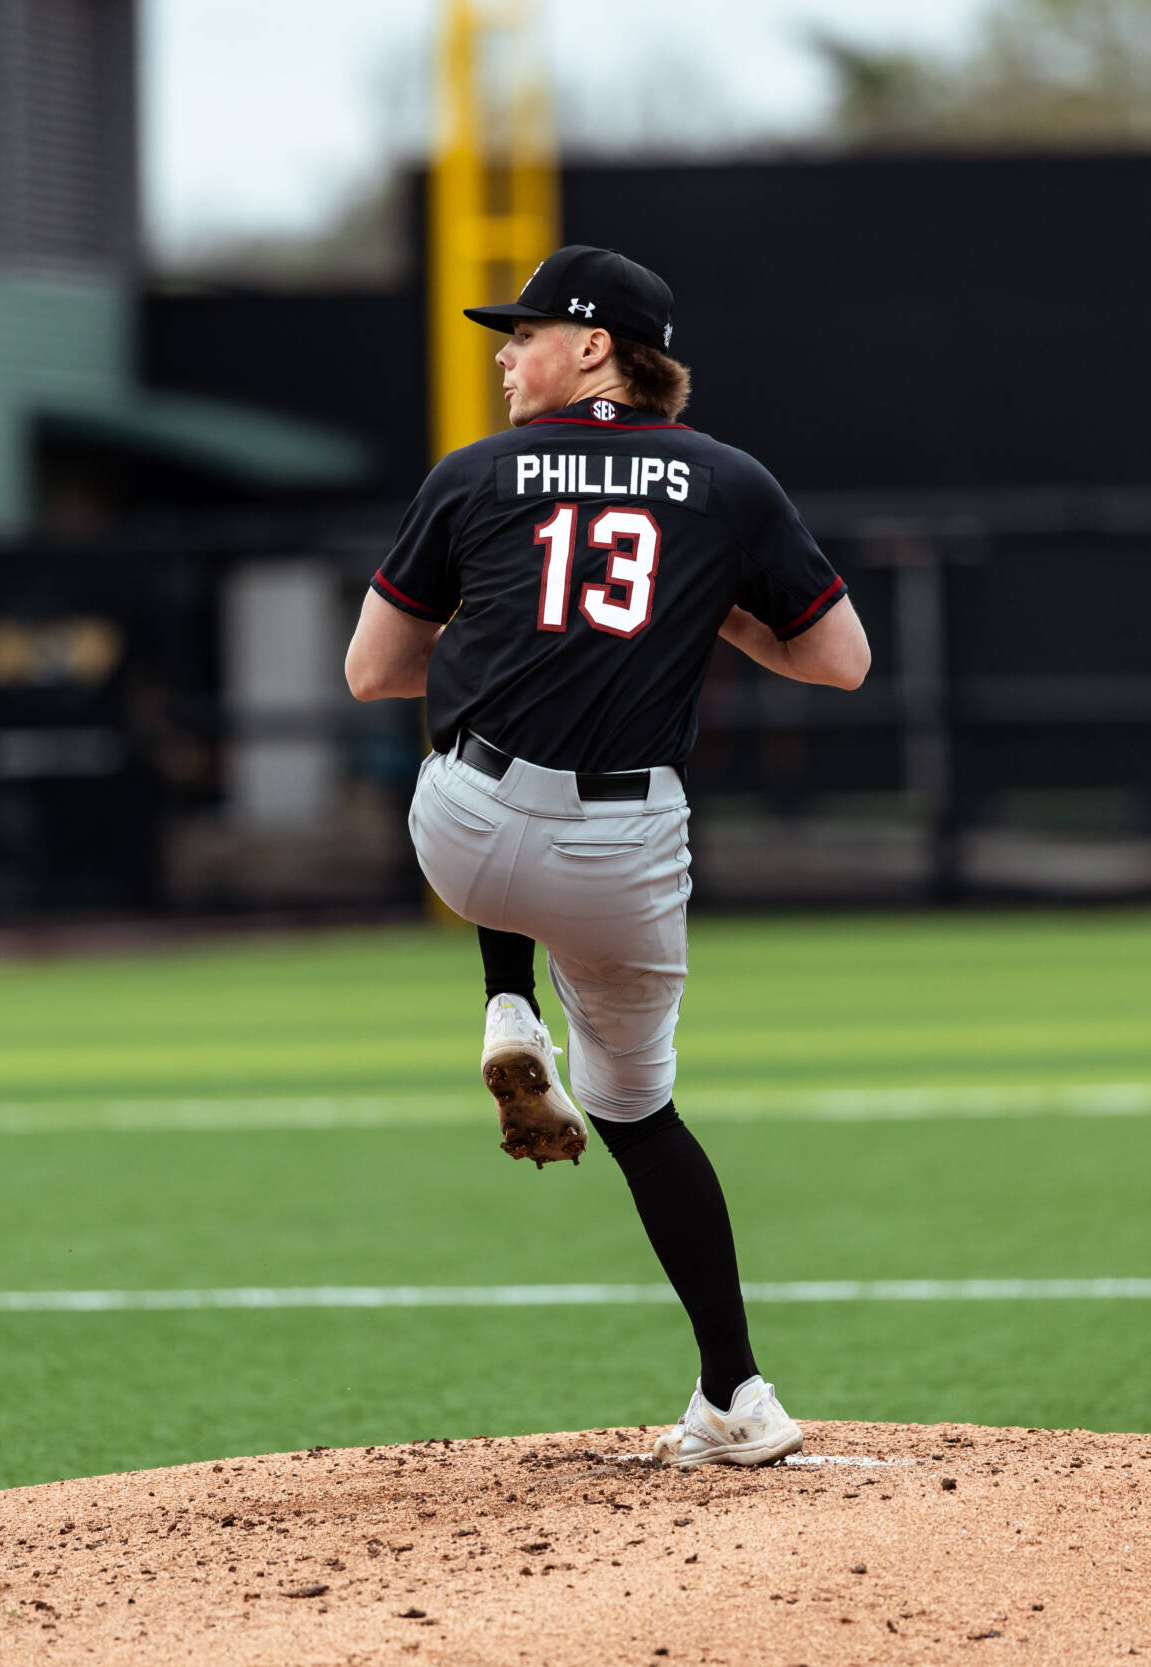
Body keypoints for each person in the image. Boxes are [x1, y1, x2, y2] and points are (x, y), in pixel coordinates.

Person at [344, 246, 871, 1466]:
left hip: (465, 840)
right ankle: (738, 1392)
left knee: (475, 730)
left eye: (523, 333)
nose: (500, 352)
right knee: (639, 1108)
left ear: (593, 348)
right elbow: (838, 659)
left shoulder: (473, 474)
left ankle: (505, 999)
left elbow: (371, 670)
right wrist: (710, 609)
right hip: (629, 852)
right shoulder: (730, 480)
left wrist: (512, 633)